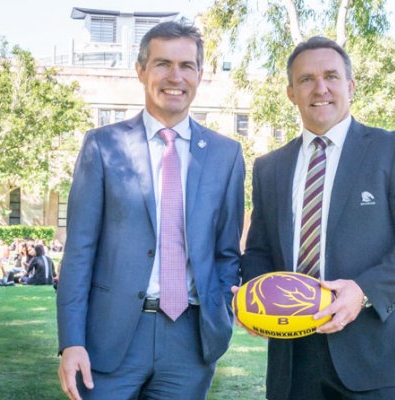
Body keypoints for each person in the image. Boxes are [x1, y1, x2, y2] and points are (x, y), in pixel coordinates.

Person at [57, 19, 244, 400]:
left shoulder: (227, 154)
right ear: (141, 70)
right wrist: (71, 341)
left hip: (190, 342)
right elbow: (79, 252)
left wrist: (219, 313)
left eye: (186, 66)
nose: (175, 76)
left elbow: (227, 250)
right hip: (110, 338)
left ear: (200, 74)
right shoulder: (103, 146)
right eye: (162, 64)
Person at [240, 36, 395, 399]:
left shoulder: (388, 151)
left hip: (372, 357)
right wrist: (254, 294)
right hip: (292, 363)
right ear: (291, 92)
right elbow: (259, 250)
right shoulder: (269, 167)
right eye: (306, 79)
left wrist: (363, 290)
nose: (320, 88)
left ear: (350, 86)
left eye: (331, 76)